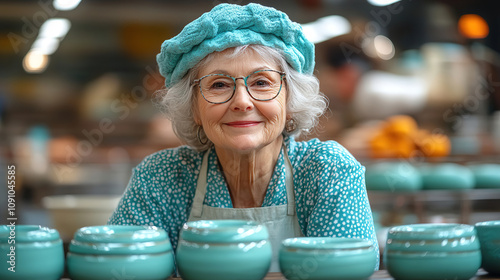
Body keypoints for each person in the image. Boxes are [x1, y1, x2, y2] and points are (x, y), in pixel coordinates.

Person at [108, 2, 379, 272]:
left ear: (290, 101)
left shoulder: (328, 171)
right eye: (219, 85)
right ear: (194, 109)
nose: (242, 102)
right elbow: (117, 269)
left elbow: (344, 273)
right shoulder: (160, 178)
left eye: (261, 82)